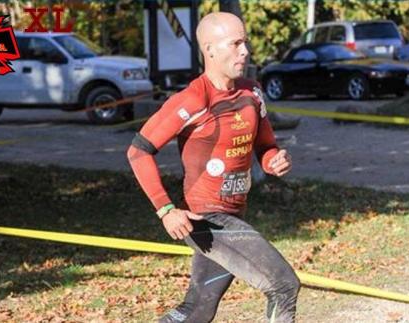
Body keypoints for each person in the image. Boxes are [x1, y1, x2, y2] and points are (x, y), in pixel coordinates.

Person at [127, 12, 300, 323]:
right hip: (206, 219)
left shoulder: (252, 92)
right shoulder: (193, 99)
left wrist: (273, 159)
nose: (244, 51)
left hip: (234, 214)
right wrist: (166, 210)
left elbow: (264, 145)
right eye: (234, 44)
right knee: (283, 286)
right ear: (210, 50)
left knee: (196, 310)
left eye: (245, 42)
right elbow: (138, 151)